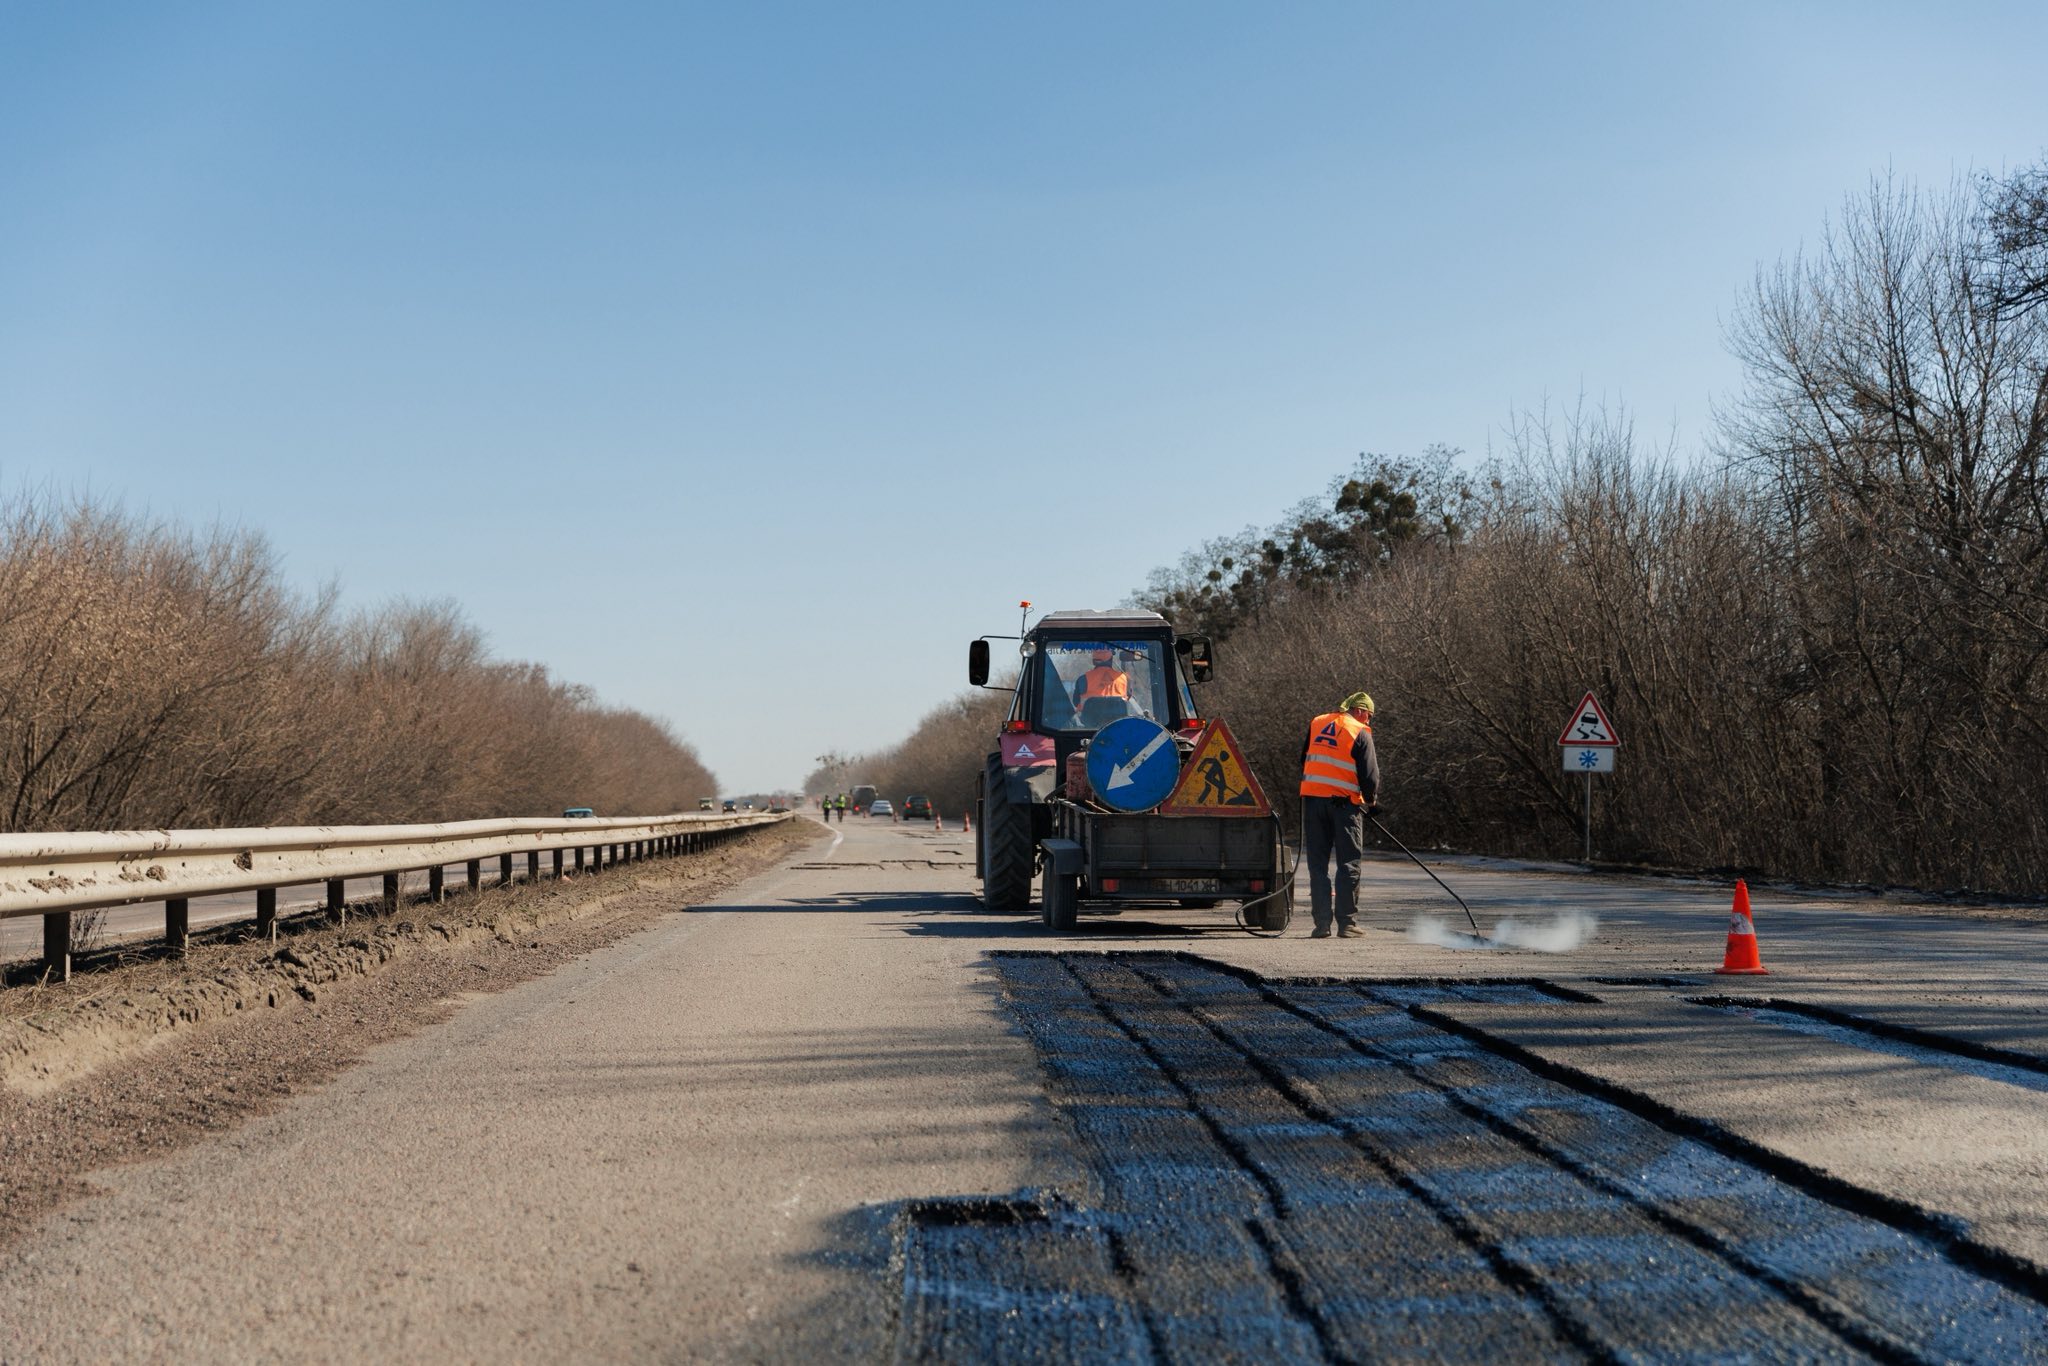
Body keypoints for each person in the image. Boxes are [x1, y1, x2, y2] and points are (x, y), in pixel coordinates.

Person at [1299, 691, 1381, 939]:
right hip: (1344, 806)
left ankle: (1321, 925)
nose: (1369, 720)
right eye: (1369, 715)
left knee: (1317, 865)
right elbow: (1369, 774)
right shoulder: (1359, 730)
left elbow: (1304, 759)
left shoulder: (1318, 722)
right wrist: (1371, 801)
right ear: (1359, 710)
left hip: (1313, 802)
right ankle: (1347, 924)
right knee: (1349, 863)